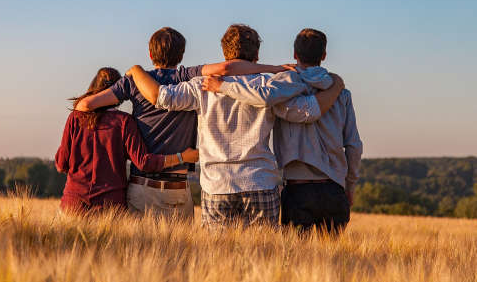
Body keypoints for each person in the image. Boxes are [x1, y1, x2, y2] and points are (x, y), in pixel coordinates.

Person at [126, 24, 344, 228]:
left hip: (217, 185)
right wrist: (335, 87)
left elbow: (161, 97)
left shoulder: (200, 86)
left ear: (224, 53)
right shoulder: (269, 85)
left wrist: (136, 71)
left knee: (218, 259)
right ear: (257, 55)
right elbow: (306, 112)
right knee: (264, 258)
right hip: (260, 181)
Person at [74, 27, 296, 218]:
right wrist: (273, 69)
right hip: (181, 188)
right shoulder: (187, 76)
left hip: (143, 186)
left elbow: (85, 106)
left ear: (150, 53)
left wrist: (122, 115)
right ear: (181, 55)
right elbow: (227, 68)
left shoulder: (134, 82)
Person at [202, 28, 363, 234]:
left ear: (295, 55)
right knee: (333, 262)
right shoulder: (341, 93)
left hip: (297, 189)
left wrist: (223, 87)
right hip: (334, 188)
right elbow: (353, 145)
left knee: (295, 261)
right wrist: (350, 185)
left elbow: (264, 98)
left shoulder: (280, 88)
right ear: (323, 56)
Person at [55, 67, 198, 214]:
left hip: (73, 204)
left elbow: (61, 165)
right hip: (110, 207)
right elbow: (143, 162)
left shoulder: (75, 118)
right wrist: (182, 157)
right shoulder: (124, 122)